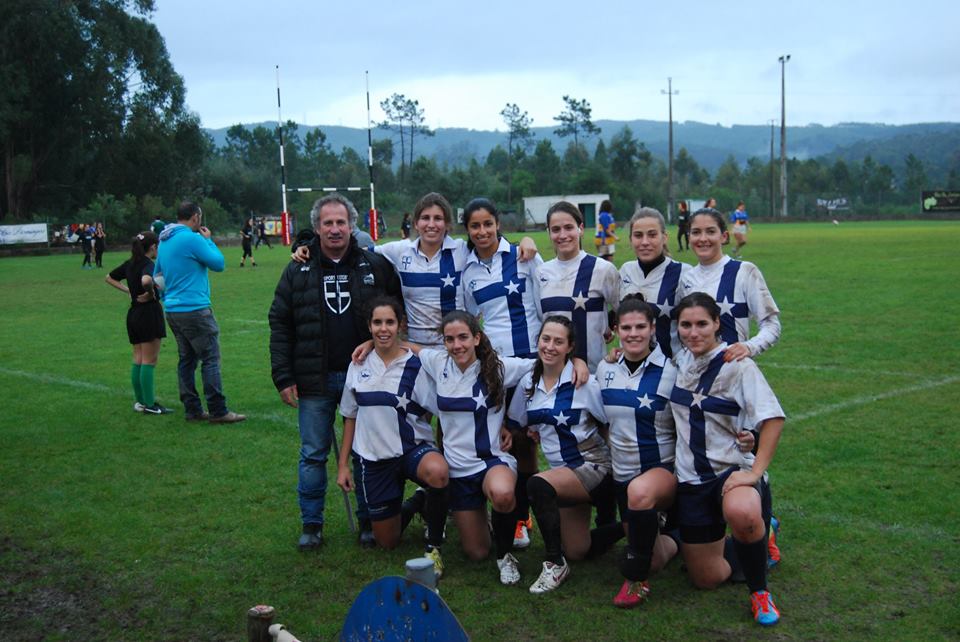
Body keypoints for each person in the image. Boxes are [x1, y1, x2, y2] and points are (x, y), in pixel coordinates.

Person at [269, 192, 403, 551]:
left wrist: (378, 348)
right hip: (314, 379)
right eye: (327, 223)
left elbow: (394, 312)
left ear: (351, 225)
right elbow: (280, 323)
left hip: (363, 378)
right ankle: (311, 524)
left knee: (364, 452)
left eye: (340, 222)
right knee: (313, 453)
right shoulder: (298, 268)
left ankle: (367, 520)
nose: (334, 229)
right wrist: (283, 376)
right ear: (316, 228)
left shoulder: (373, 265)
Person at [667, 292, 785, 626]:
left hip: (730, 471)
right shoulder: (681, 361)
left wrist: (755, 472)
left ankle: (759, 592)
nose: (693, 332)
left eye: (702, 324)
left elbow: (772, 419)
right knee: (706, 578)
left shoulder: (737, 364)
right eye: (685, 325)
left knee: (742, 512)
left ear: (717, 323)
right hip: (691, 479)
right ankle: (762, 538)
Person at [336, 297, 448, 574]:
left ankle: (434, 546)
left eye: (389, 322)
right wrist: (342, 465)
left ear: (401, 325)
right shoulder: (358, 363)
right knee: (387, 542)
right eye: (377, 322)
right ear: (369, 326)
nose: (383, 329)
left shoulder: (417, 366)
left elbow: (442, 409)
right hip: (374, 458)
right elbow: (349, 416)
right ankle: (419, 501)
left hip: (412, 449)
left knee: (438, 471)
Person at [506, 316, 613, 594]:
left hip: (593, 465)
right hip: (563, 473)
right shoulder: (528, 383)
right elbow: (518, 423)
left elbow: (609, 425)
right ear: (538, 341)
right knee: (578, 549)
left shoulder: (584, 383)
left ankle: (554, 563)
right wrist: (518, 433)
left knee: (537, 484)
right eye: (545, 339)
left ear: (570, 347)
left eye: (558, 341)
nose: (550, 346)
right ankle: (635, 525)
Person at [461, 197, 543, 548]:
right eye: (475, 226)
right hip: (495, 370)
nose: (482, 231)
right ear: (467, 230)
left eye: (488, 224)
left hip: (529, 365)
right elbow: (469, 321)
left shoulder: (524, 257)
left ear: (498, 224)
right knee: (496, 441)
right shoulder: (468, 272)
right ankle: (493, 514)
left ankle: (522, 518)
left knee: (524, 444)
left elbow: (543, 304)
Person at [596, 297, 681, 607]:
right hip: (623, 475)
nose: (633, 334)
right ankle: (683, 539)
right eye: (626, 327)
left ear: (653, 328)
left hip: (660, 472)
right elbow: (597, 418)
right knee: (655, 559)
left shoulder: (672, 371)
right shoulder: (604, 369)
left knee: (641, 493)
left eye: (640, 327)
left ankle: (635, 581)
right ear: (616, 330)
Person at [154, 201, 245, 424]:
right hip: (195, 309)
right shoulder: (192, 238)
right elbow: (218, 263)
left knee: (186, 360)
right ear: (195, 217)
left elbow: (157, 276)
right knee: (210, 359)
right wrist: (209, 240)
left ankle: (192, 409)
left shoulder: (164, 240)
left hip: (173, 310)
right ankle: (218, 410)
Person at [678, 207, 780, 362]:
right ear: (689, 237)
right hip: (695, 376)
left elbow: (771, 324)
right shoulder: (686, 279)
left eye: (711, 232)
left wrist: (749, 346)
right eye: (696, 232)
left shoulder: (745, 271)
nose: (703, 238)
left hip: (732, 373)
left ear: (724, 236)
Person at [538, 201, 620, 372]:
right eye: (555, 229)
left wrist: (607, 327)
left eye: (569, 227)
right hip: (554, 373)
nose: (562, 235)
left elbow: (627, 313)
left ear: (580, 229)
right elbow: (539, 322)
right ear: (548, 232)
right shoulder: (540, 273)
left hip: (595, 373)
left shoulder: (603, 269)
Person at [104, 231, 172, 415]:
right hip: (148, 313)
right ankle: (150, 404)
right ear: (153, 247)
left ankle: (141, 401)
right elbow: (146, 279)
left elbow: (109, 277)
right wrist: (150, 293)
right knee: (149, 360)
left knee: (138, 358)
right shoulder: (147, 264)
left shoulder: (130, 263)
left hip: (133, 314)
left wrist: (128, 291)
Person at [618, 207, 691, 359]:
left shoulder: (684, 274)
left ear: (664, 237)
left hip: (671, 371)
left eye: (652, 235)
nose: (645, 242)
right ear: (631, 239)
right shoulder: (625, 271)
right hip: (630, 372)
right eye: (638, 235)